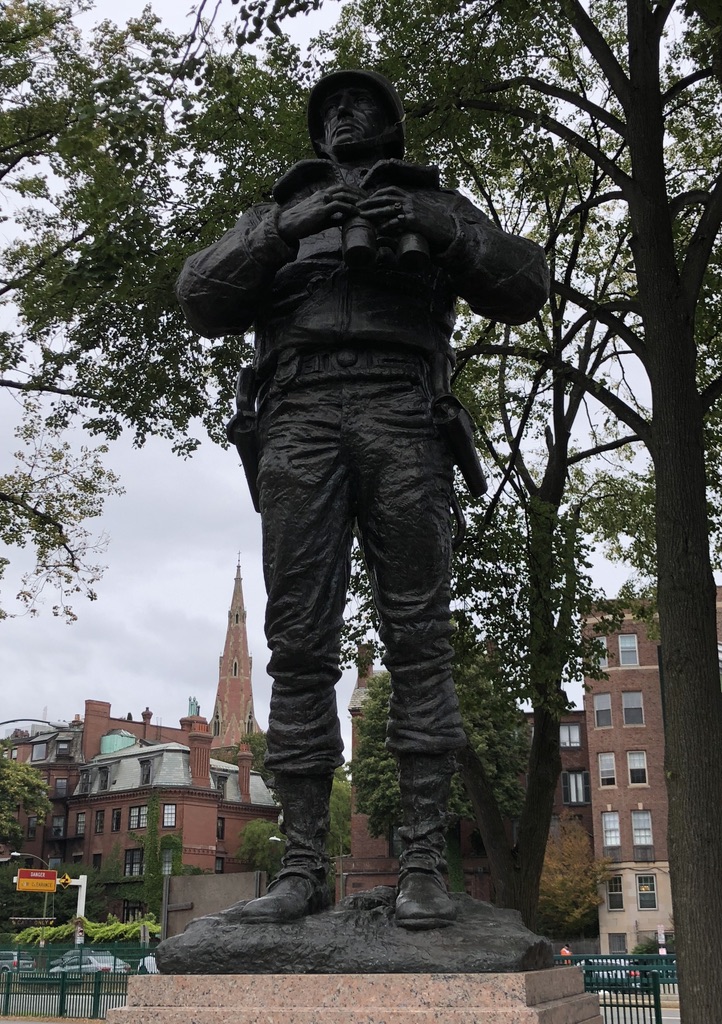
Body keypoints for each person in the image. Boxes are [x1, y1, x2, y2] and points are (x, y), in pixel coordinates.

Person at [176, 69, 549, 930]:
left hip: (403, 407)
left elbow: (525, 284)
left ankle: (421, 862)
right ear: (318, 132)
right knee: (298, 643)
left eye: (363, 104)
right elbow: (197, 295)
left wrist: (439, 227)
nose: (345, 114)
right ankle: (304, 865)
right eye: (332, 107)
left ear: (392, 126)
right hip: (297, 414)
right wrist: (283, 228)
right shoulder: (281, 211)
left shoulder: (432, 202)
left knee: (420, 639)